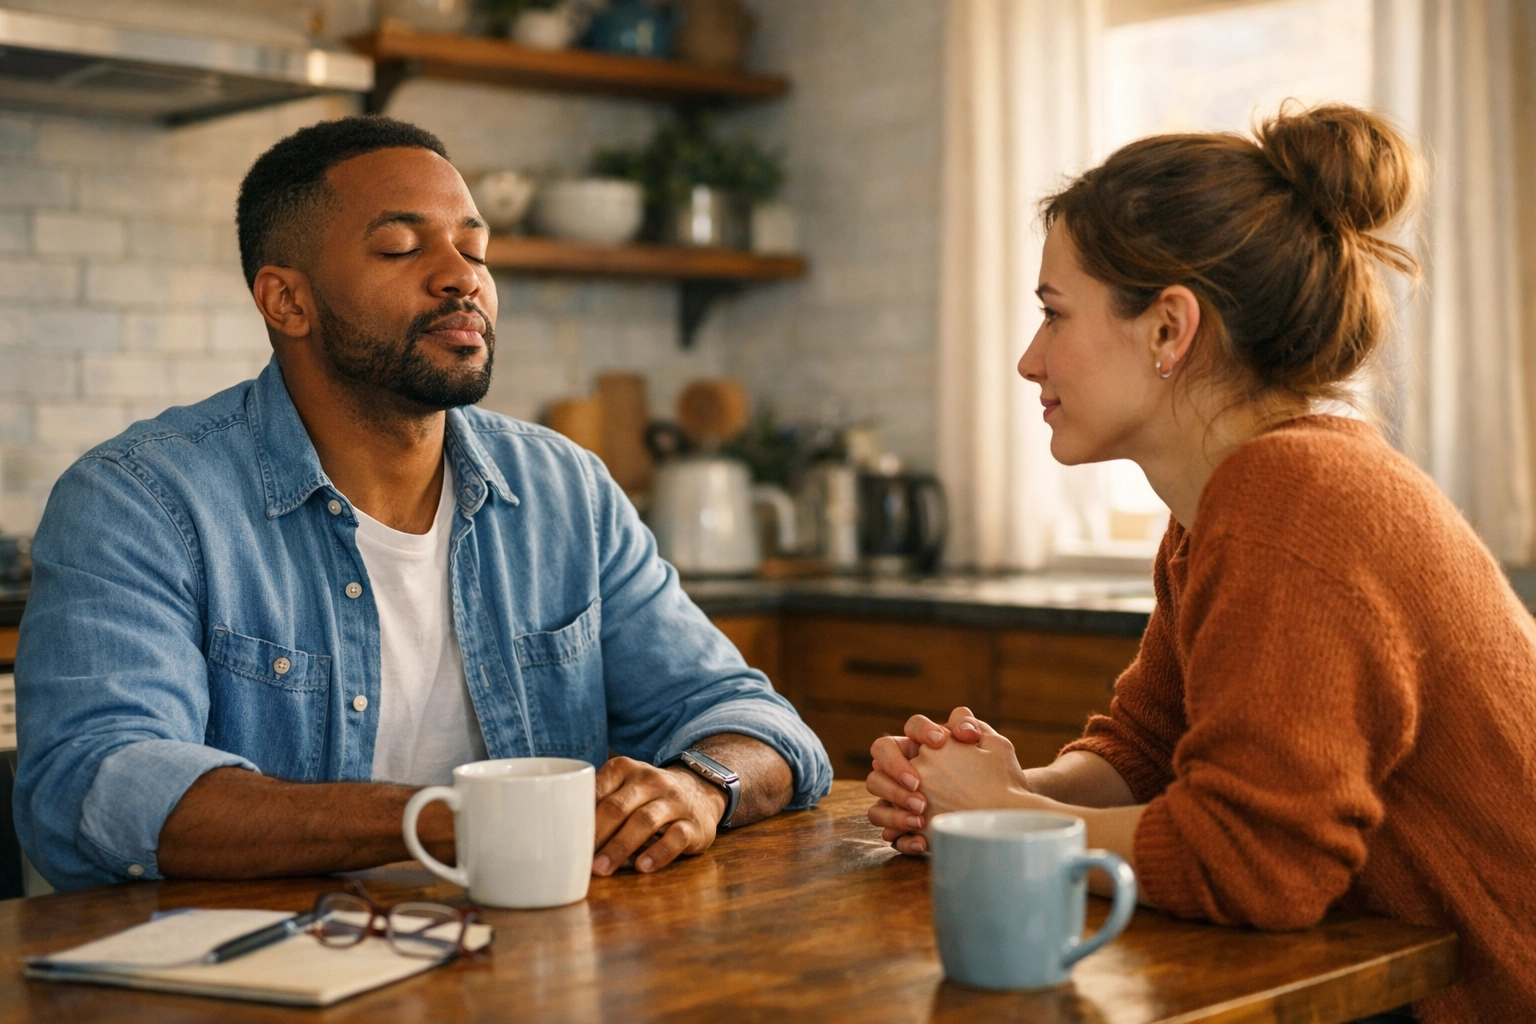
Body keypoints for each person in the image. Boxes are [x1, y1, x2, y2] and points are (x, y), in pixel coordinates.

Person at [15, 116, 831, 892]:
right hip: (264, 971)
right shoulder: (138, 500)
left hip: (536, 958)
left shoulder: (565, 490)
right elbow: (94, 783)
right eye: (402, 248)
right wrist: (453, 820)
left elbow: (750, 718)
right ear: (286, 302)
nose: (462, 276)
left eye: (474, 247)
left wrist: (701, 786)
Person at [866, 104, 1536, 1023]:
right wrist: (1013, 788)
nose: (1029, 360)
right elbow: (1148, 749)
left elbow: (1255, 864)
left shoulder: (1293, 498)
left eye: (1054, 315)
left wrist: (1007, 822)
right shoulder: (1229, 502)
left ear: (1169, 331)